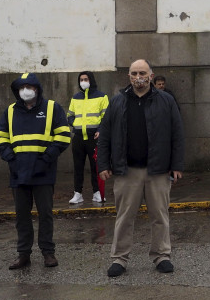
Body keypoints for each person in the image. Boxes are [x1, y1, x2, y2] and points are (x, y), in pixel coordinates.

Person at [98, 59, 184, 277]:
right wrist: (104, 164)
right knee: (124, 217)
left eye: (142, 73)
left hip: (158, 170)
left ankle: (162, 255)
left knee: (160, 215)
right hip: (127, 171)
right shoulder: (117, 102)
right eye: (134, 73)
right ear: (129, 77)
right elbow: (105, 134)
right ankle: (119, 258)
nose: (139, 77)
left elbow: (177, 133)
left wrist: (176, 165)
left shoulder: (166, 101)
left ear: (151, 75)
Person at [0, 73, 71, 269]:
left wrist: (46, 159)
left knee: (45, 214)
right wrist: (11, 159)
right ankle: (23, 254)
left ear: (37, 88)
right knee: (22, 216)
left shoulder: (52, 108)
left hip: (43, 171)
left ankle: (48, 252)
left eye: (29, 86)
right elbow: (0, 138)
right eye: (21, 87)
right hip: (18, 172)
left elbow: (63, 136)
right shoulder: (10, 110)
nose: (25, 90)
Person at [67, 71, 108, 204]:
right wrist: (75, 124)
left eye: (86, 79)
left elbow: (106, 117)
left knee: (96, 166)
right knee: (78, 166)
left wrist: (100, 130)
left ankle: (97, 193)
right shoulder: (75, 97)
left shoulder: (101, 97)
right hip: (78, 137)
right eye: (81, 79)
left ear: (91, 80)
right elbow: (70, 115)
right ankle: (77, 193)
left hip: (94, 137)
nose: (83, 82)